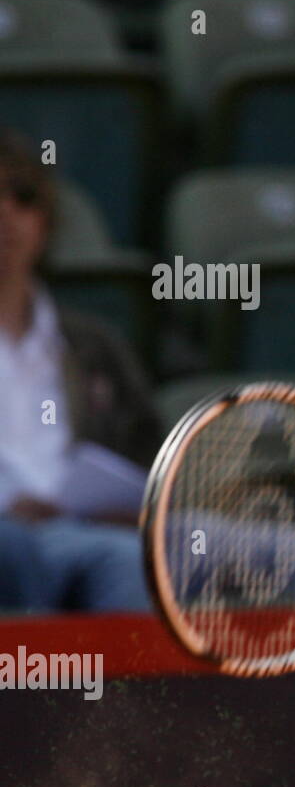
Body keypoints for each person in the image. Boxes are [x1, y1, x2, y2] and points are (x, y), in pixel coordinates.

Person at [0, 129, 159, 613]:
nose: (4, 212)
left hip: (92, 525)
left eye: (22, 196)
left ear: (45, 221)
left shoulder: (92, 345)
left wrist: (134, 507)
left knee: (280, 549)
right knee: (125, 560)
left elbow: (149, 458)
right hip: (18, 534)